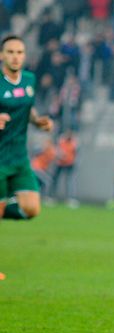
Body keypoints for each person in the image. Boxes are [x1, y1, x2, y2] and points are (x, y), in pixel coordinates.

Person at [0, 35, 55, 221]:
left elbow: (27, 107)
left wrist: (37, 121)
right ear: (1, 55)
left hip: (19, 157)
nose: (15, 57)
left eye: (19, 52)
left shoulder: (29, 80)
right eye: (10, 52)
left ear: (24, 55)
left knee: (31, 209)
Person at [51, 130, 79, 208]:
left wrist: (73, 161)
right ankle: (51, 197)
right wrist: (60, 155)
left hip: (69, 164)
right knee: (55, 180)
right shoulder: (61, 141)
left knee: (70, 181)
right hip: (60, 163)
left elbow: (76, 154)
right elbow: (57, 150)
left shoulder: (74, 143)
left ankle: (70, 198)